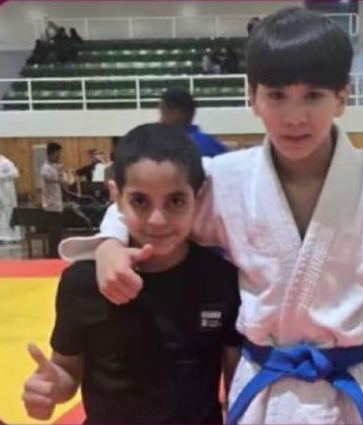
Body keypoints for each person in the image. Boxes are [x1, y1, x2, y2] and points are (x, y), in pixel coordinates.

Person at [59, 8, 363, 424]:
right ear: (251, 96)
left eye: (314, 96)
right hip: (264, 392)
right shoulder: (222, 180)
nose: (294, 116)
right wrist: (111, 242)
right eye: (276, 95)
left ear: (343, 96)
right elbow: (155, 204)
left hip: (355, 389)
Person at [22, 123, 243, 424]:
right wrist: (50, 387)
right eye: (140, 201)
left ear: (198, 196)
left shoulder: (220, 279)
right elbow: (67, 370)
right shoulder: (83, 282)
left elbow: (235, 381)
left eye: (176, 201)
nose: (158, 219)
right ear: (116, 196)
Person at [159, 88, 227, 157]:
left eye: (162, 112)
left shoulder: (160, 146)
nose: (160, 119)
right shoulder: (213, 145)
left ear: (177, 113)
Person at [41, 142, 70, 258]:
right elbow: (48, 178)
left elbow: (64, 181)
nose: (59, 156)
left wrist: (62, 173)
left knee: (58, 232)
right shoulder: (46, 167)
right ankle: (53, 254)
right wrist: (60, 178)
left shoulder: (55, 166)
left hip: (58, 203)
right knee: (53, 232)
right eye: (57, 154)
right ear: (51, 154)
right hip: (50, 205)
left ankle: (57, 252)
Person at [0, 154, 21, 242]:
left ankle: (13, 236)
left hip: (7, 192)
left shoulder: (6, 162)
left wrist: (2, 176)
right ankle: (2, 236)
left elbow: (16, 174)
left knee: (9, 213)